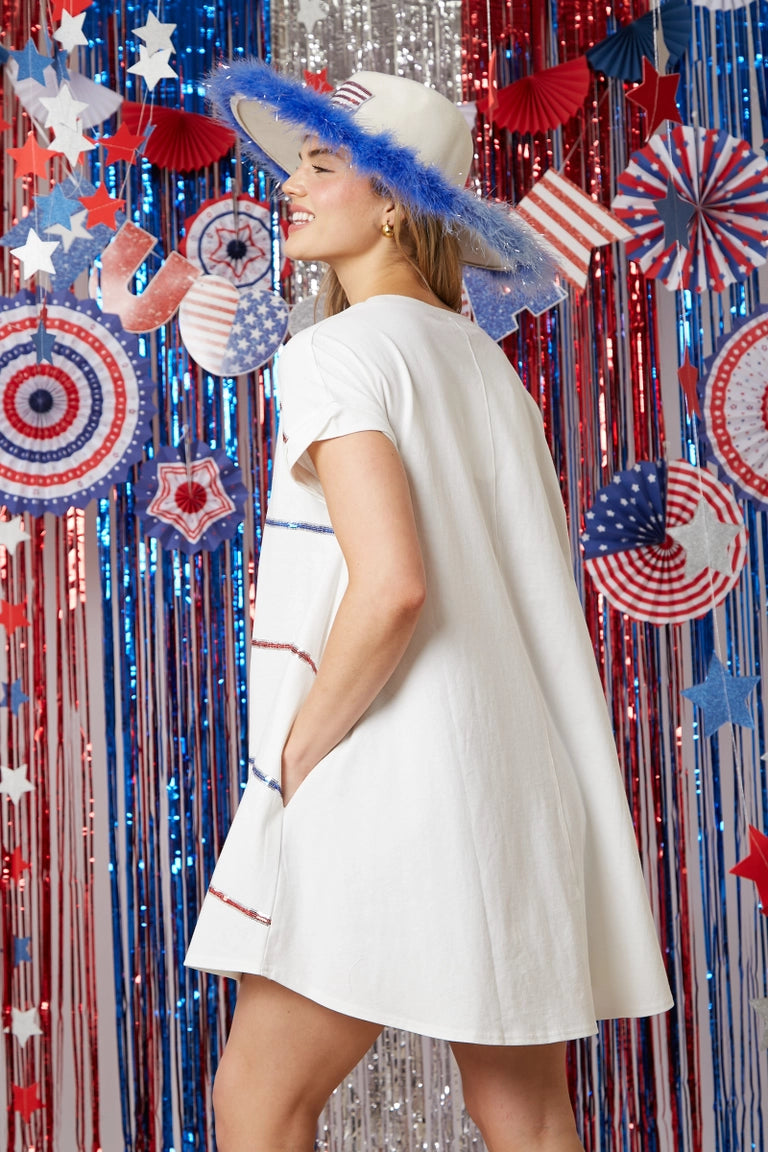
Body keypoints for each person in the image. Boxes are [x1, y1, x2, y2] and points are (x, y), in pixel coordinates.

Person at [184, 62, 673, 1152]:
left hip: (382, 773)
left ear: (395, 201)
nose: (291, 186)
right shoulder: (485, 365)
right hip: (513, 783)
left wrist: (296, 755)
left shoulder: (333, 353)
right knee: (528, 1117)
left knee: (260, 1102)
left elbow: (394, 585)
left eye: (323, 164)